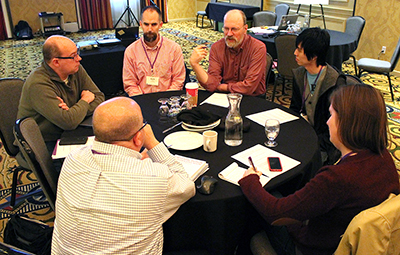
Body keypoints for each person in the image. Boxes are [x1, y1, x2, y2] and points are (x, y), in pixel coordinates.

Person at [239, 84, 400, 255]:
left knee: (260, 199)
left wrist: (250, 181)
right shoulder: (384, 156)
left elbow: (276, 213)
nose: (327, 122)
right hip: (350, 238)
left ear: (345, 123)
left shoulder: (336, 178)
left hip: (312, 248)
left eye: (331, 115)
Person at [51, 97, 195, 255]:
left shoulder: (73, 159)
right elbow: (186, 185)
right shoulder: (154, 178)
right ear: (138, 137)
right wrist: (153, 143)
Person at [17, 35, 105, 152]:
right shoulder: (38, 84)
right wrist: (84, 101)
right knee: (86, 162)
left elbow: (99, 97)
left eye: (77, 53)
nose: (79, 58)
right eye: (73, 56)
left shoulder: (75, 69)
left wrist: (72, 111)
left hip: (71, 129)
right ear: (56, 62)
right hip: (44, 141)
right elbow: (68, 122)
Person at [289, 27, 346, 165]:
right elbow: (294, 109)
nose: (295, 53)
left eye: (300, 50)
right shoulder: (299, 75)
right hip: (302, 134)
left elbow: (338, 128)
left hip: (324, 144)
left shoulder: (335, 82)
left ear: (314, 56)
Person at [189, 9, 266, 96]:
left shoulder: (258, 48)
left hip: (252, 98)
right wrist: (195, 65)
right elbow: (211, 84)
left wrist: (223, 87)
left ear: (245, 29)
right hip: (226, 96)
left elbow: (249, 87)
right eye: (226, 28)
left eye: (234, 29)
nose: (229, 34)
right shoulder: (217, 47)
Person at [123, 5, 186, 96]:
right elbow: (130, 83)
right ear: (141, 24)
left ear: (160, 25)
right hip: (142, 100)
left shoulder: (174, 49)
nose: (149, 29)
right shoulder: (131, 51)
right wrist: (142, 100)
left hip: (167, 99)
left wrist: (165, 100)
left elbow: (178, 81)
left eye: (154, 24)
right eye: (146, 24)